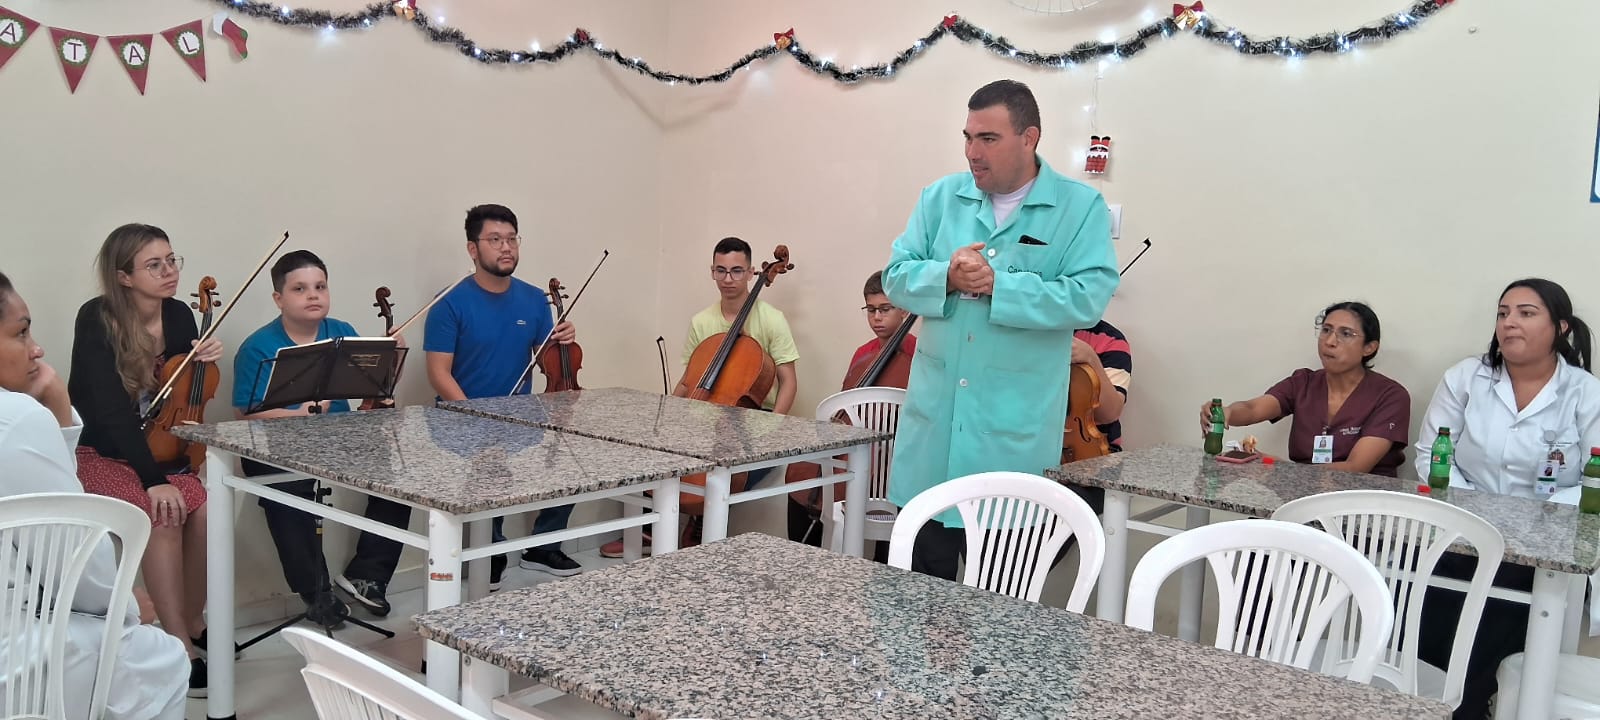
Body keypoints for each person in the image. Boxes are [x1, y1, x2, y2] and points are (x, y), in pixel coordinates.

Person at [883, 79, 1119, 582]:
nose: (973, 152)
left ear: (1029, 138)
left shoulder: (1079, 208)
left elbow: (1088, 296)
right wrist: (946, 276)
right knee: (913, 600)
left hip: (1011, 445)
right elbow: (895, 278)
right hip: (933, 440)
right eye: (968, 138)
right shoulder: (939, 198)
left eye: (988, 139)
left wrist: (1001, 286)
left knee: (1001, 606)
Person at [0, 271, 189, 720]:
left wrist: (58, 407)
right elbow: (75, 558)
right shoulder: (15, 416)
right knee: (163, 659)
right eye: (21, 332)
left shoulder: (179, 317)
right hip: (16, 646)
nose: (36, 349)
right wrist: (127, 603)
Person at [1412, 278, 1599, 720]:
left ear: (1561, 327)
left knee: (1494, 644)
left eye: (1526, 313)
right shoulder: (1466, 377)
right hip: (1461, 532)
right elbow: (1430, 454)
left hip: (1542, 546)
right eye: (1502, 313)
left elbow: (1596, 476)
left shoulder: (1584, 391)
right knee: (1430, 636)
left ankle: (1471, 710)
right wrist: (1478, 512)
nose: (1509, 322)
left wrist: (1534, 517)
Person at [68, 223, 219, 696]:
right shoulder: (97, 318)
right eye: (154, 265)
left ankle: (192, 619)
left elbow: (181, 396)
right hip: (103, 452)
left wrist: (203, 359)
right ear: (124, 276)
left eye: (172, 260)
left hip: (161, 452)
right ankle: (178, 646)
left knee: (207, 511)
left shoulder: (179, 314)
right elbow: (113, 414)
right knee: (165, 514)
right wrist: (154, 480)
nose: (169, 271)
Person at [233, 250, 412, 619]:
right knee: (288, 493)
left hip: (338, 440)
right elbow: (246, 411)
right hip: (277, 447)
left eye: (320, 286)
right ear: (279, 299)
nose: (313, 295)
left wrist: (392, 357)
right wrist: (296, 414)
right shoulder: (258, 346)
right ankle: (316, 593)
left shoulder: (342, 331)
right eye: (299, 289)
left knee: (399, 476)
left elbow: (372, 387)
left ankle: (368, 575)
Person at [599, 236, 801, 558]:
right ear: (712, 272)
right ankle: (647, 528)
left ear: (751, 273)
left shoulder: (771, 319)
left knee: (726, 466)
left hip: (752, 422)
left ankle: (697, 522)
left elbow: (788, 381)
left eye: (736, 271)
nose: (728, 279)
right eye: (721, 271)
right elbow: (689, 380)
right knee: (652, 448)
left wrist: (773, 428)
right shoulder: (702, 321)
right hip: (703, 416)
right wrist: (665, 415)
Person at [425, 204, 582, 584]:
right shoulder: (449, 302)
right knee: (489, 461)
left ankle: (543, 547)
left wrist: (564, 339)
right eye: (495, 240)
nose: (506, 247)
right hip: (460, 419)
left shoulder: (534, 299)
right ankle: (490, 550)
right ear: (473, 248)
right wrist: (478, 418)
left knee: (575, 452)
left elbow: (548, 362)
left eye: (512, 239)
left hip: (520, 415)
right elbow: (438, 373)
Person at [1200, 301, 1410, 477]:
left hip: (1361, 503)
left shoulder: (1390, 396)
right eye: (1326, 330)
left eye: (1346, 334)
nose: (1330, 341)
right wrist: (1227, 412)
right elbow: (1252, 408)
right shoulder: (1303, 383)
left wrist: (1281, 470)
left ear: (1369, 347)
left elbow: (1355, 468)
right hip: (1300, 496)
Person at [785, 270, 916, 548]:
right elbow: (845, 407)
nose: (877, 317)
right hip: (856, 450)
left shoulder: (919, 354)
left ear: (904, 309)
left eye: (885, 309)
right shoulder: (862, 353)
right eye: (871, 310)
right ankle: (802, 555)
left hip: (893, 460)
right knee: (800, 471)